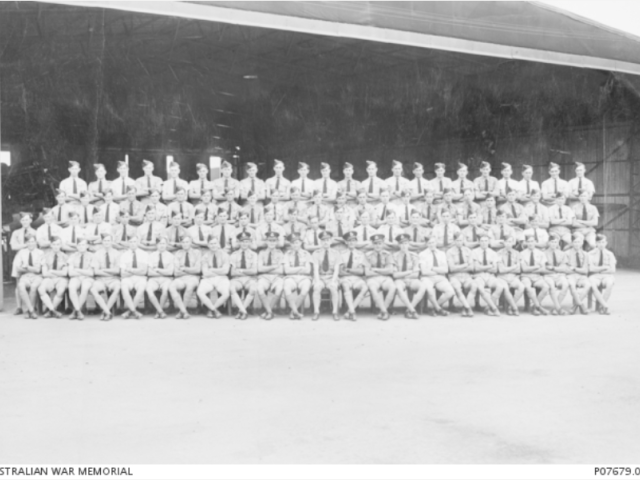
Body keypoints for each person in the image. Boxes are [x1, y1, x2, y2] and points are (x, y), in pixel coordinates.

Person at [196, 235, 231, 318]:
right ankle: (215, 310)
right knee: (200, 292)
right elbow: (205, 272)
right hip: (208, 279)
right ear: (208, 245)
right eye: (211, 244)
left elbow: (226, 271)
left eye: (215, 243)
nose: (213, 245)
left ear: (218, 244)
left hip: (222, 279)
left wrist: (211, 269)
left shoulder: (225, 255)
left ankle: (212, 309)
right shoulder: (205, 256)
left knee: (226, 293)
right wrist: (219, 271)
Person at [392, 233, 426, 319]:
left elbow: (416, 274)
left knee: (423, 287)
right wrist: (409, 271)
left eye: (406, 243)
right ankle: (413, 310)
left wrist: (404, 274)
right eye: (402, 243)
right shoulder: (394, 256)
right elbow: (395, 275)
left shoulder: (414, 256)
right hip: (400, 280)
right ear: (399, 245)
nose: (404, 246)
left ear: (409, 244)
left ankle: (408, 309)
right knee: (398, 288)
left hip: (412, 280)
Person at [364, 233, 396, 320]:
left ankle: (383, 310)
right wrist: (383, 271)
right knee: (373, 289)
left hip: (385, 278)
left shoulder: (388, 254)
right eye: (375, 243)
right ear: (372, 244)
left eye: (379, 243)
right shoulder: (367, 255)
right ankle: (384, 312)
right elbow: (367, 273)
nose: (377, 245)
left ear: (383, 244)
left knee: (393, 287)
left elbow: (390, 270)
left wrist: (375, 270)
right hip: (372, 278)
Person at [282, 233, 314, 320]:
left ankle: (293, 312)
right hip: (291, 277)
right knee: (286, 287)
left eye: (297, 242)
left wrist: (294, 269)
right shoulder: (287, 254)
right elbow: (287, 271)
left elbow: (307, 270)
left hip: (304, 277)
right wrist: (300, 268)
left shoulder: (306, 254)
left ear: (300, 243)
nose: (295, 245)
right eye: (292, 243)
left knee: (305, 288)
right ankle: (296, 311)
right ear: (290, 244)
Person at [311, 230, 342, 320]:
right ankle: (316, 311)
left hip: (331, 276)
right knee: (317, 288)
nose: (325, 242)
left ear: (331, 241)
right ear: (320, 242)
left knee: (333, 287)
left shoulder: (336, 253)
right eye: (323, 240)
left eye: (327, 240)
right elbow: (315, 269)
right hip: (320, 276)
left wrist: (333, 281)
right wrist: (317, 281)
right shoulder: (316, 253)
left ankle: (335, 312)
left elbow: (336, 269)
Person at [90, 233, 121, 321]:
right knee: (93, 289)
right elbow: (96, 271)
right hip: (100, 279)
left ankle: (104, 311)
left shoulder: (117, 254)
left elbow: (118, 271)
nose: (106, 242)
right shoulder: (97, 254)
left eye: (108, 240)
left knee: (117, 287)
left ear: (112, 241)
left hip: (113, 279)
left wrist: (103, 270)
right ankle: (107, 312)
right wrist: (111, 272)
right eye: (104, 241)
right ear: (102, 242)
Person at [10, 212, 37, 315]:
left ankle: (31, 307)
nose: (25, 222)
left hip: (31, 258)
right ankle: (19, 307)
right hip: (19, 258)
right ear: (20, 221)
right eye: (23, 220)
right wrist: (26, 245)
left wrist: (28, 246)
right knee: (18, 284)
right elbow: (13, 247)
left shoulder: (35, 232)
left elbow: (36, 246)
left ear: (30, 220)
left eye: (27, 219)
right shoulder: (16, 233)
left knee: (32, 281)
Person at [419, 237, 454, 316]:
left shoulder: (442, 253)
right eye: (429, 243)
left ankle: (433, 308)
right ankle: (439, 309)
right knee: (430, 291)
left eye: (433, 242)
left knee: (450, 292)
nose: (431, 245)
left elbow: (445, 270)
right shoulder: (422, 254)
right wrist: (438, 271)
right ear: (426, 244)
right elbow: (424, 272)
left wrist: (432, 268)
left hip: (440, 278)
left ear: (436, 243)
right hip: (427, 278)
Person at [169, 235, 202, 319]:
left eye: (187, 242)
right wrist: (190, 269)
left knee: (190, 286)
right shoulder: (178, 253)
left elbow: (198, 270)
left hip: (193, 277)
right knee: (172, 287)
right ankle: (184, 311)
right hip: (180, 278)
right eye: (183, 242)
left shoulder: (197, 252)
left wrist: (184, 269)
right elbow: (176, 272)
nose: (185, 244)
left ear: (190, 242)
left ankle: (181, 311)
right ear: (181, 243)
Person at [338, 232, 369, 320]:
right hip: (345, 278)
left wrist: (348, 270)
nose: (351, 243)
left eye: (353, 241)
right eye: (349, 241)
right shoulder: (341, 253)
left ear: (356, 242)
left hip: (357, 279)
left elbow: (362, 271)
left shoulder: (361, 254)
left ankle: (349, 311)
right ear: (346, 242)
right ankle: (352, 312)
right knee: (346, 285)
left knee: (365, 288)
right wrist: (355, 271)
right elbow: (340, 272)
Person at [229, 231, 259, 320]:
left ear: (250, 242)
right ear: (238, 242)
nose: (244, 244)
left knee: (253, 289)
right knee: (232, 288)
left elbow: (254, 271)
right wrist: (247, 271)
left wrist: (241, 270)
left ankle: (240, 311)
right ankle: (244, 311)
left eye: (246, 241)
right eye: (242, 241)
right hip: (237, 279)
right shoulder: (234, 255)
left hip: (250, 279)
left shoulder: (254, 255)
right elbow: (232, 272)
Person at [471, 234, 502, 316]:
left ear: (489, 242)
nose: (484, 243)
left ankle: (488, 307)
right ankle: (494, 308)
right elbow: (476, 268)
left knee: (500, 286)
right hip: (479, 276)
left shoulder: (493, 253)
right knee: (480, 288)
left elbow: (495, 269)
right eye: (482, 241)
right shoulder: (474, 252)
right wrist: (489, 266)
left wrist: (482, 267)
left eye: (486, 241)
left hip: (490, 276)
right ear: (479, 242)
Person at [13, 234, 44, 319]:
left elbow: (38, 270)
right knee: (20, 286)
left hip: (37, 276)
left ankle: (28, 311)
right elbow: (18, 268)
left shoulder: (40, 252)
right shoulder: (21, 252)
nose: (31, 243)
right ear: (26, 243)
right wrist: (30, 269)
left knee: (34, 287)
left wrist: (26, 267)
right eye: (29, 242)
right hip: (25, 276)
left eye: (33, 241)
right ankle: (31, 310)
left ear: (36, 242)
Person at [256, 232, 285, 320]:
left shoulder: (280, 253)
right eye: (270, 240)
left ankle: (267, 311)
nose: (272, 243)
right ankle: (270, 312)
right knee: (259, 288)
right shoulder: (261, 253)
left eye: (274, 241)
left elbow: (281, 270)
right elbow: (259, 269)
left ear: (276, 242)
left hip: (277, 277)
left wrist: (266, 268)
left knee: (279, 289)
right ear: (266, 242)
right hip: (264, 277)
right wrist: (274, 266)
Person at [446, 232, 476, 317]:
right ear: (454, 241)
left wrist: (458, 267)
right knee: (456, 287)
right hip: (454, 276)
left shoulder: (468, 251)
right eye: (457, 240)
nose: (459, 242)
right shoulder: (449, 252)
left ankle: (464, 307)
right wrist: (465, 265)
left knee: (474, 286)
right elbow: (451, 268)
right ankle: (468, 308)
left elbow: (471, 268)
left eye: (461, 240)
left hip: (467, 276)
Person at [37, 236, 69, 318]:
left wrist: (52, 271)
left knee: (61, 290)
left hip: (61, 279)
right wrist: (58, 273)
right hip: (49, 279)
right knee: (41, 289)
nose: (56, 246)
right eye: (54, 244)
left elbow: (65, 273)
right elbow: (44, 273)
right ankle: (53, 310)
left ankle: (50, 311)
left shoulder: (65, 257)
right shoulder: (45, 256)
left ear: (61, 245)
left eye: (58, 244)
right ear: (51, 245)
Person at [519, 234, 550, 316]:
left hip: (537, 276)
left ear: (535, 242)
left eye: (532, 241)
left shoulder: (541, 253)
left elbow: (543, 269)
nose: (530, 243)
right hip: (525, 276)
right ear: (526, 242)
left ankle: (534, 306)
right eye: (528, 241)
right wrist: (536, 266)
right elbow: (524, 269)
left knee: (546, 287)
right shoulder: (522, 253)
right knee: (528, 287)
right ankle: (538, 307)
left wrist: (530, 268)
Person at [119, 235, 148, 319]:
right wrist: (137, 271)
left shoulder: (144, 254)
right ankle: (134, 311)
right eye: (130, 242)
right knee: (124, 288)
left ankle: (129, 311)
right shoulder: (124, 255)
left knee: (141, 289)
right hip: (127, 278)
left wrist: (130, 270)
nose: (132, 244)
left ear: (138, 242)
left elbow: (144, 271)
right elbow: (123, 273)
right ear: (128, 243)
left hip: (140, 278)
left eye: (134, 241)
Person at [145, 236, 175, 319]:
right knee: (149, 289)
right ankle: (160, 311)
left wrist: (157, 270)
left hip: (166, 279)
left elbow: (170, 272)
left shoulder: (171, 256)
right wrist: (163, 272)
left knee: (165, 290)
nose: (162, 245)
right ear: (156, 245)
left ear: (166, 244)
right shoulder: (151, 256)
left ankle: (158, 311)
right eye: (160, 243)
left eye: (163, 243)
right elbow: (149, 272)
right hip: (153, 279)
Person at [66, 238, 94, 321]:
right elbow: (70, 273)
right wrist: (84, 272)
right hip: (76, 277)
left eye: (83, 245)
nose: (81, 247)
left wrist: (77, 270)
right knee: (71, 287)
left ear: (87, 246)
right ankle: (78, 310)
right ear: (77, 246)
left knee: (85, 288)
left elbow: (91, 273)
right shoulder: (72, 256)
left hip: (87, 278)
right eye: (79, 245)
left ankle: (75, 311)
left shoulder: (92, 256)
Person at [541, 234, 570, 315]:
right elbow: (544, 268)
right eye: (552, 242)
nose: (554, 244)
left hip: (560, 275)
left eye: (555, 242)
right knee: (551, 285)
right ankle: (559, 308)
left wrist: (553, 268)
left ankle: (554, 308)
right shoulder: (543, 253)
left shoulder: (562, 253)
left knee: (565, 285)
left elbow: (564, 268)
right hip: (548, 276)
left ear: (558, 243)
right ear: (549, 243)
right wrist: (555, 269)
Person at [587, 233, 616, 315]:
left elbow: (612, 270)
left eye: (603, 242)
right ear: (596, 243)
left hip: (607, 276)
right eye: (599, 242)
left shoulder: (610, 254)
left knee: (610, 284)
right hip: (594, 276)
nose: (601, 244)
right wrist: (604, 267)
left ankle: (601, 306)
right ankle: (605, 306)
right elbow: (591, 269)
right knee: (593, 285)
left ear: (606, 243)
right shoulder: (590, 254)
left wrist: (599, 270)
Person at [496, 235, 524, 316]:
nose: (509, 244)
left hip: (513, 277)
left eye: (510, 242)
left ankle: (510, 306)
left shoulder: (517, 253)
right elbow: (501, 269)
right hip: (502, 277)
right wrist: (514, 267)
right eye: (507, 241)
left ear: (513, 243)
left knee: (521, 287)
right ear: (504, 242)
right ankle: (514, 308)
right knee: (505, 288)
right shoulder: (498, 253)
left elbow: (518, 269)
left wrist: (508, 268)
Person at [566, 233, 590, 315]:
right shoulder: (567, 253)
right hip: (571, 276)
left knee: (588, 285)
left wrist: (575, 269)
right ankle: (581, 305)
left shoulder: (585, 254)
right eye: (575, 242)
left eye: (579, 242)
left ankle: (574, 307)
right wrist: (579, 270)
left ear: (582, 243)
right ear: (572, 243)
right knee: (572, 285)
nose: (577, 244)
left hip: (582, 277)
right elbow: (566, 270)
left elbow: (585, 271)